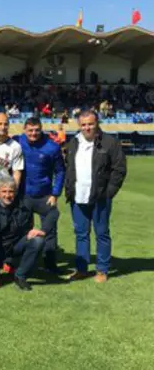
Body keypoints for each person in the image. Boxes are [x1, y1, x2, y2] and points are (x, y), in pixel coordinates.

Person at [64, 110, 127, 283]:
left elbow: (119, 169)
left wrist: (109, 193)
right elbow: (69, 167)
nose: (87, 128)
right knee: (81, 234)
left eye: (90, 124)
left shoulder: (110, 142)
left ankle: (102, 270)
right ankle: (82, 269)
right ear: (79, 125)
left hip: (100, 197)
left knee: (102, 233)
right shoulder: (74, 142)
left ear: (97, 123)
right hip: (78, 196)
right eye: (83, 124)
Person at [0, 176, 46, 291]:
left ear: (16, 192)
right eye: (4, 191)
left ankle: (20, 275)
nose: (7, 195)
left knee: (38, 240)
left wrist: (43, 230)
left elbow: (51, 212)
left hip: (17, 244)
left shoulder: (25, 203)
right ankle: (4, 264)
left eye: (11, 191)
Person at [15, 117, 65, 273]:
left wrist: (55, 193)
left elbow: (60, 171)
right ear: (24, 130)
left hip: (45, 195)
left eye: (37, 130)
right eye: (30, 130)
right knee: (22, 229)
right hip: (24, 195)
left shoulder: (52, 147)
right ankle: (24, 262)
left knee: (49, 230)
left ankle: (50, 264)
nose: (33, 133)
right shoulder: (17, 142)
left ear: (41, 129)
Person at [0, 112, 24, 191]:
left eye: (6, 124)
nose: (3, 127)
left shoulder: (16, 147)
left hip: (4, 190)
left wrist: (14, 191)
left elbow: (17, 172)